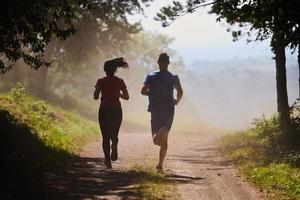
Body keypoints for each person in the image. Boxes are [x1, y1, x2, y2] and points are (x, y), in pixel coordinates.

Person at [141, 53, 183, 172]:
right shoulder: (173, 77)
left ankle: (159, 132)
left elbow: (143, 91)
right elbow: (180, 91)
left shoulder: (151, 75)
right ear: (168, 63)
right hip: (169, 109)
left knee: (155, 139)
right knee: (164, 140)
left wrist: (153, 93)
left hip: (155, 108)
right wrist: (177, 101)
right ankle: (160, 165)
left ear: (158, 62)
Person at [94, 57, 129, 169]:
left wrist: (99, 91)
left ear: (105, 70)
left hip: (104, 110)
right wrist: (118, 94)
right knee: (114, 134)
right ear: (115, 70)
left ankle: (108, 161)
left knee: (105, 136)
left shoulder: (101, 81)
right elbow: (127, 97)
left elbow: (95, 96)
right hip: (116, 111)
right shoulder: (120, 81)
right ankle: (114, 144)